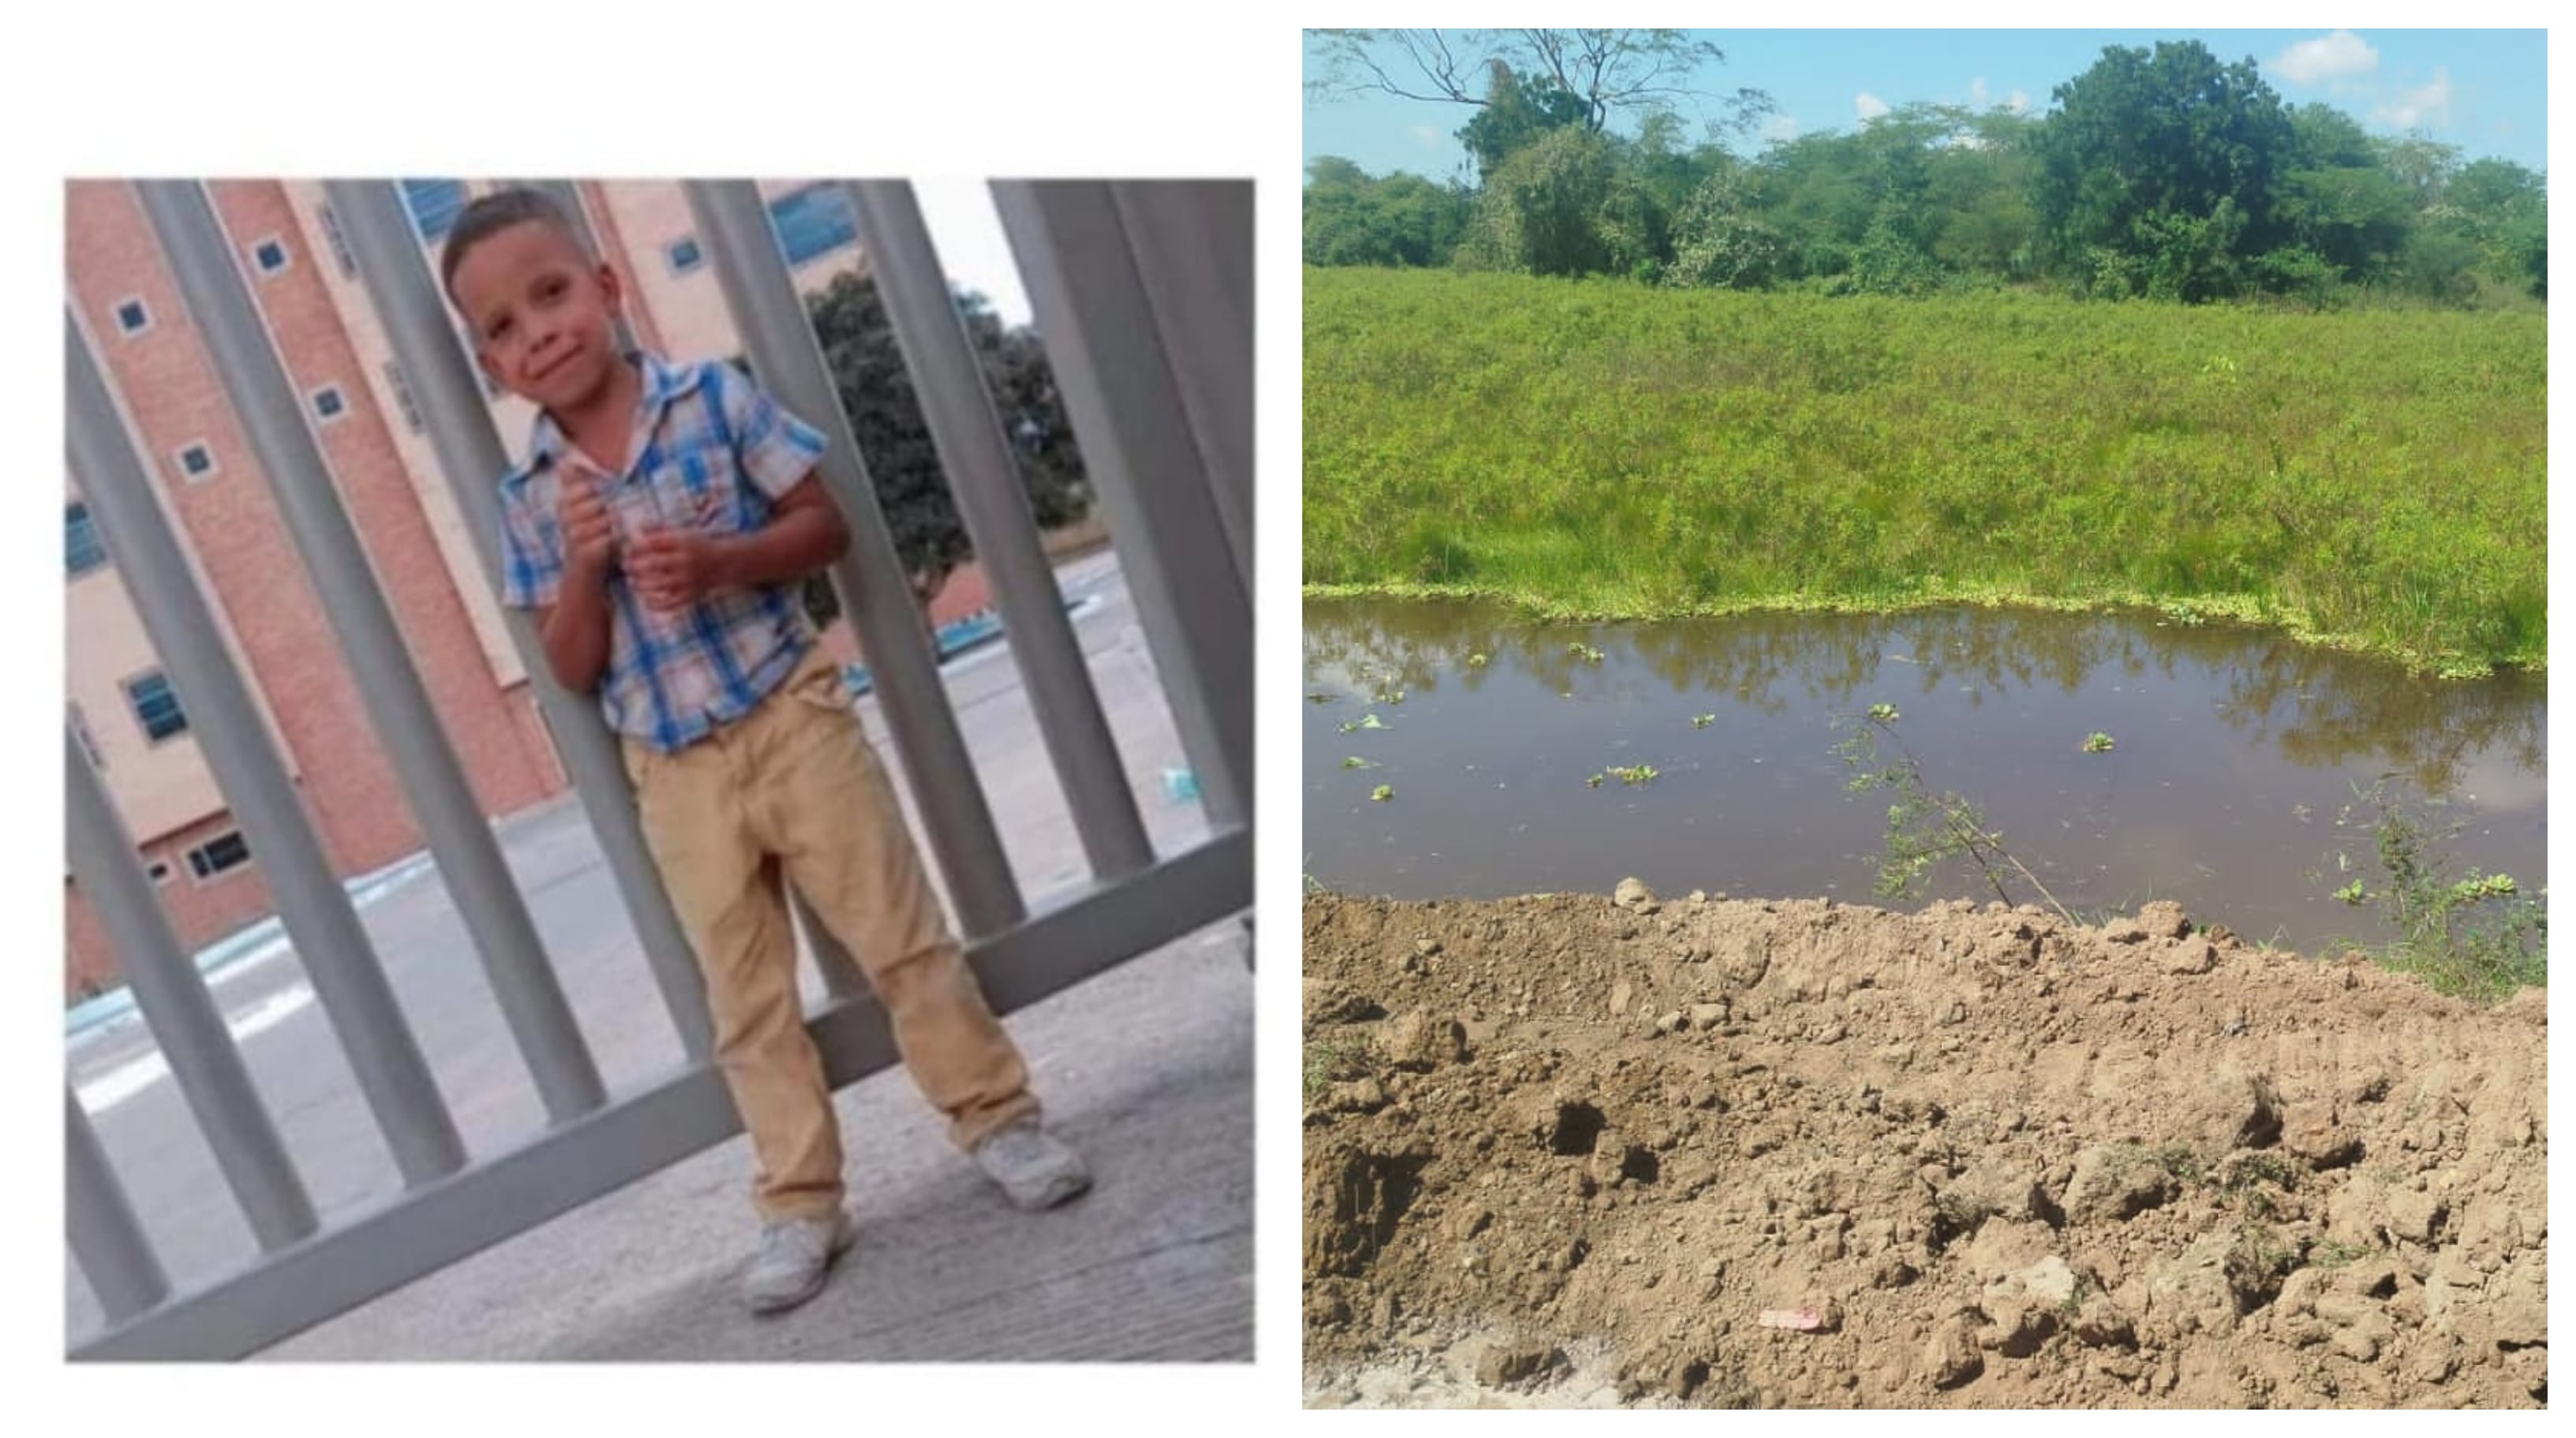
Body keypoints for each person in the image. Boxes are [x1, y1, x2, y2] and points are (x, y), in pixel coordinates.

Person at [442, 187, 1088, 1316]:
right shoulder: (533, 498)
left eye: (549, 294)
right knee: (745, 1001)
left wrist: (720, 561)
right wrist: (587, 571)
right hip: (675, 771)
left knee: (901, 935)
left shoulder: (708, 398)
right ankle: (800, 1200)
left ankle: (1001, 1122)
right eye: (500, 326)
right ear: (492, 367)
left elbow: (823, 526)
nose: (535, 330)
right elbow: (570, 664)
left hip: (787, 711)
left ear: (605, 287)